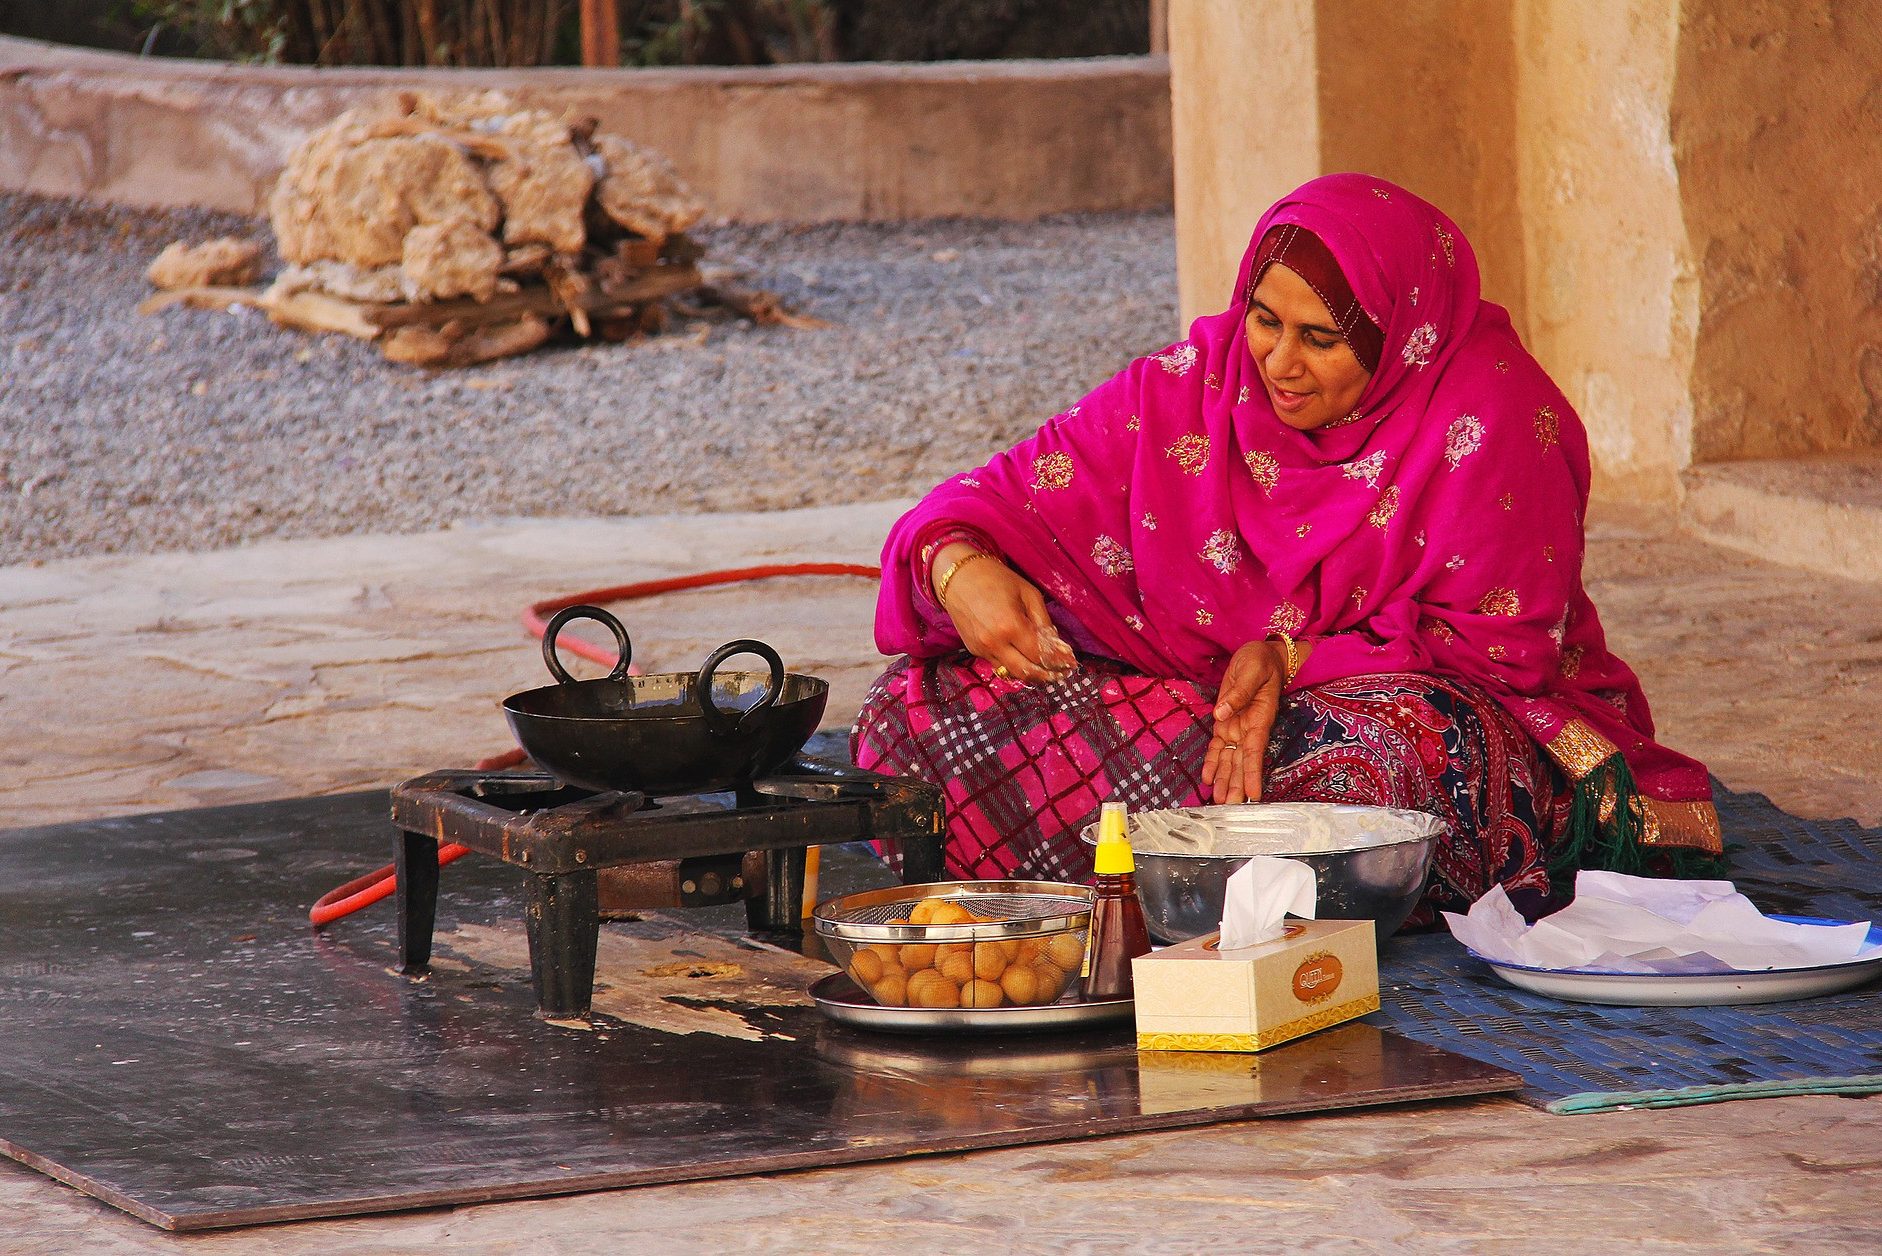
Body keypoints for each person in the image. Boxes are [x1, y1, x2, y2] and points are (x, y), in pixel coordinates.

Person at [852, 174, 1722, 928]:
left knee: (1375, 771)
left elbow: (1499, 648)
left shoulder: (1493, 418)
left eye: (1322, 339)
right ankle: (1210, 884)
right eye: (1265, 320)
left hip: (1375, 714)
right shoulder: (1195, 385)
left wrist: (1293, 658)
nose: (1278, 363)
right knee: (909, 713)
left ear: (1399, 335)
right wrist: (958, 568)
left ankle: (1146, 874)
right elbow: (989, 498)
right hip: (1188, 706)